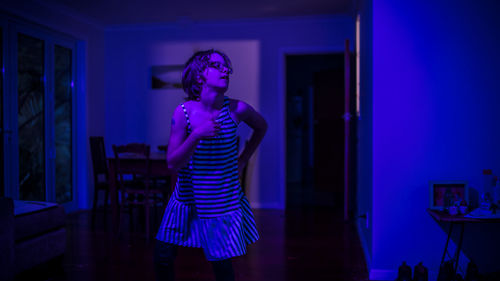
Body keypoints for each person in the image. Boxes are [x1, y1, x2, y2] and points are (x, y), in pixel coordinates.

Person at [154, 49, 268, 281]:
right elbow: (172, 163)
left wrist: (244, 158)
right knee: (163, 257)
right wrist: (196, 135)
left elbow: (261, 127)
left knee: (222, 265)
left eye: (226, 66)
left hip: (220, 202)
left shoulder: (238, 109)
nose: (225, 69)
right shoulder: (183, 112)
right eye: (217, 66)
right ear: (199, 77)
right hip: (186, 199)